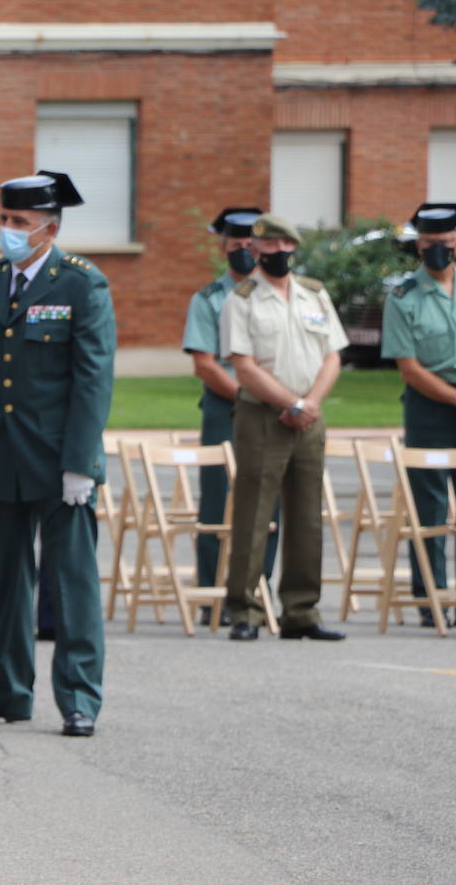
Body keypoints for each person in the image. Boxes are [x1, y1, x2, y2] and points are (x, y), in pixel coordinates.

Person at [0, 171, 113, 737]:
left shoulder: (81, 283)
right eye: (5, 221)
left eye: (19, 224)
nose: (7, 233)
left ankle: (80, 695)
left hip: (59, 459)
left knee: (71, 582)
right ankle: (8, 688)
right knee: (7, 580)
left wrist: (79, 464)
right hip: (0, 454)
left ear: (50, 228)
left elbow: (93, 380)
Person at [219, 212, 348, 641]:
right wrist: (290, 401)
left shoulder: (314, 295)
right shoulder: (242, 298)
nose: (278, 254)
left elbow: (332, 356)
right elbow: (243, 366)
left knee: (307, 514)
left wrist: (309, 403)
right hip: (263, 415)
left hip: (308, 416)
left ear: (294, 248)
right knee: (255, 513)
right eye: (269, 247)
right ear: (253, 251)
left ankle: (301, 611)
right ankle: (245, 610)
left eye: (285, 246)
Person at [381, 203, 456, 640]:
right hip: (429, 407)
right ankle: (432, 599)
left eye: (445, 245)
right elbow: (408, 367)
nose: (438, 252)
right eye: (428, 246)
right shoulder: (404, 296)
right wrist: (455, 401)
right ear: (418, 247)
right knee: (429, 504)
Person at [181, 207, 279, 625]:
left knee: (266, 505)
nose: (244, 252)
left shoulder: (277, 294)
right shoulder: (208, 299)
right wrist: (250, 395)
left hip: (273, 410)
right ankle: (211, 597)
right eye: (236, 245)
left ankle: (258, 593)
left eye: (250, 245)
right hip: (228, 409)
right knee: (217, 502)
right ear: (223, 248)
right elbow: (205, 364)